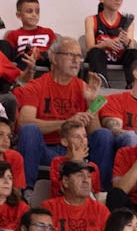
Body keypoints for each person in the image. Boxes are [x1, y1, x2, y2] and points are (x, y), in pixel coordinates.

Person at [13, 37, 110, 189]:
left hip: (78, 150)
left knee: (104, 135)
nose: (76, 60)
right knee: (29, 130)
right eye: (70, 55)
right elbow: (25, 121)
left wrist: (91, 103)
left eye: (79, 56)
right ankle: (26, 191)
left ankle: (101, 192)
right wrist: (65, 123)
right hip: (45, 148)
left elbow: (94, 132)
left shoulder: (83, 87)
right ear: (54, 58)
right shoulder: (37, 85)